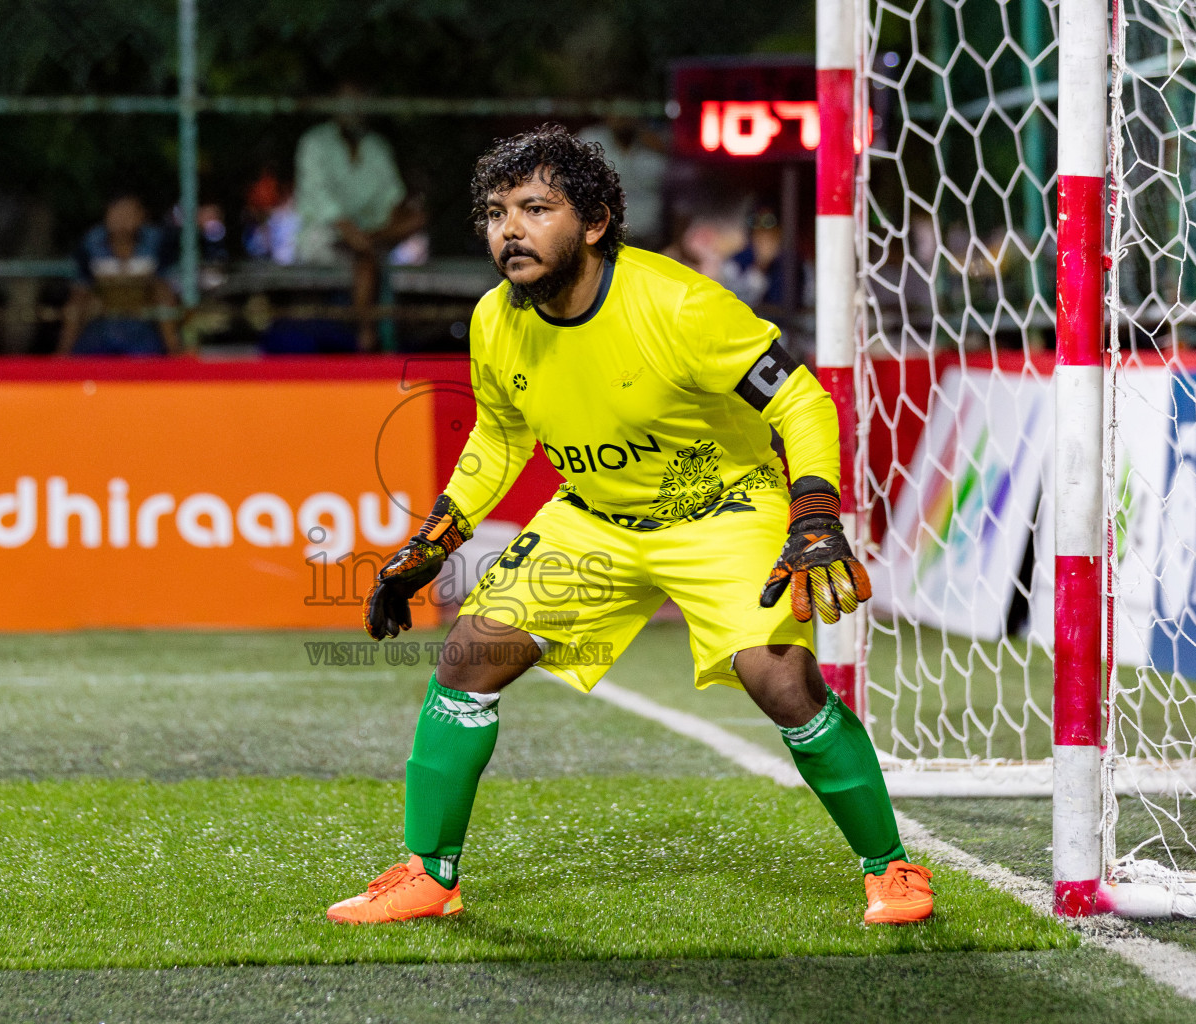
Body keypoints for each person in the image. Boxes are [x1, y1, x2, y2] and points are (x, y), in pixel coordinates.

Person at [328, 125, 933, 927]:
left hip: (721, 509)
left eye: (537, 208)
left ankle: (890, 868)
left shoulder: (678, 304)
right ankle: (427, 876)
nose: (510, 229)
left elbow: (801, 399)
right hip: (593, 517)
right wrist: (438, 534)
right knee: (468, 660)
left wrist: (814, 509)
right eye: (497, 212)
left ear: (596, 221)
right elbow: (501, 437)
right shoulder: (493, 319)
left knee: (781, 679)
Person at [293, 81, 426, 351]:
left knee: (413, 219)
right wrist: (351, 232)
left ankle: (368, 244)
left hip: (371, 233)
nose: (353, 110)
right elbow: (320, 200)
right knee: (365, 255)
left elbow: (392, 197)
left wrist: (396, 219)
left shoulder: (376, 147)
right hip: (325, 235)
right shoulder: (314, 143)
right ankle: (366, 334)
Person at [58, 193, 180, 356]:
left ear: (141, 216)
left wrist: (173, 345)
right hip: (102, 325)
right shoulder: (91, 243)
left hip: (142, 325)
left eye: (129, 213)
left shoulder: (156, 242)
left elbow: (164, 290)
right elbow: (80, 291)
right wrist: (63, 351)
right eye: (117, 212)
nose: (122, 220)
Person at [576, 117, 668, 246]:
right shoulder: (590, 139)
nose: (623, 116)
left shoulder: (657, 142)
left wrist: (665, 149)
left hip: (650, 238)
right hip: (604, 238)